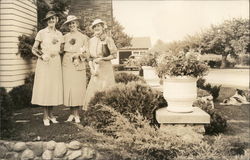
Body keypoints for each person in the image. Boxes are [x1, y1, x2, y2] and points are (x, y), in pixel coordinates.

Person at [31, 11, 64, 126]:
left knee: (53, 88)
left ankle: (51, 114)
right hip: (45, 63)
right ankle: (45, 115)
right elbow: (34, 49)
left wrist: (58, 52)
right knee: (45, 88)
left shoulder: (60, 34)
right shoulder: (42, 32)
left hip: (55, 63)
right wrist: (42, 55)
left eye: (53, 18)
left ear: (56, 20)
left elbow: (61, 49)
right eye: (49, 19)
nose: (51, 20)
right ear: (46, 21)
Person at [83, 19, 117, 110]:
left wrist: (102, 58)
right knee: (94, 90)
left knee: (106, 89)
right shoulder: (91, 41)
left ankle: (107, 111)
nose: (97, 28)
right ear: (93, 29)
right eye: (95, 26)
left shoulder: (108, 39)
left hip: (106, 69)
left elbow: (114, 55)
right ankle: (94, 112)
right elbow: (89, 57)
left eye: (99, 26)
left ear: (102, 27)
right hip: (95, 69)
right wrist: (91, 69)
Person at [62, 15, 89, 123]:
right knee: (69, 88)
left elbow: (87, 53)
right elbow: (60, 50)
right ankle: (71, 114)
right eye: (70, 24)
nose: (72, 25)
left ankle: (77, 114)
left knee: (77, 89)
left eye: (73, 23)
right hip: (67, 64)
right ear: (68, 26)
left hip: (78, 63)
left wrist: (79, 56)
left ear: (77, 24)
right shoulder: (65, 37)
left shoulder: (83, 37)